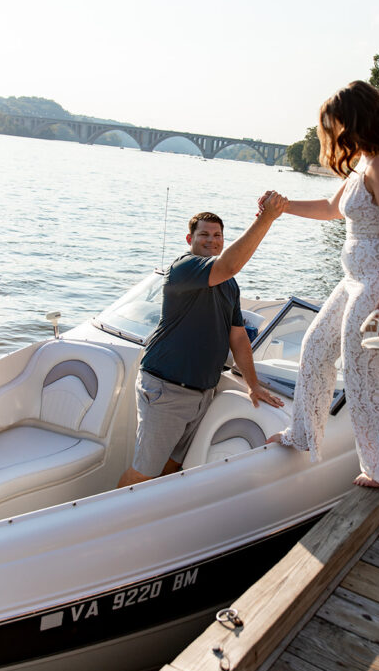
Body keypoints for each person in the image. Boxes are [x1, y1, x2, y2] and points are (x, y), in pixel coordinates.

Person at [259, 80, 379, 493]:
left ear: (352, 122)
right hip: (356, 281)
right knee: (315, 347)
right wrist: (283, 208)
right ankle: (303, 434)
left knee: (364, 376)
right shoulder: (363, 167)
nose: (330, 135)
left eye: (333, 125)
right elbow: (333, 210)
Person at [117, 202, 286, 488]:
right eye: (204, 235)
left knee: (173, 466)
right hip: (166, 389)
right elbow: (231, 263)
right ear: (190, 240)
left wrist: (253, 384)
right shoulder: (185, 268)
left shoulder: (229, 284)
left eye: (217, 235)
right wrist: (267, 218)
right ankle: (112, 526)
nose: (211, 240)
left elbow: (238, 337)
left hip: (202, 393)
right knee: (144, 473)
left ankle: (156, 519)